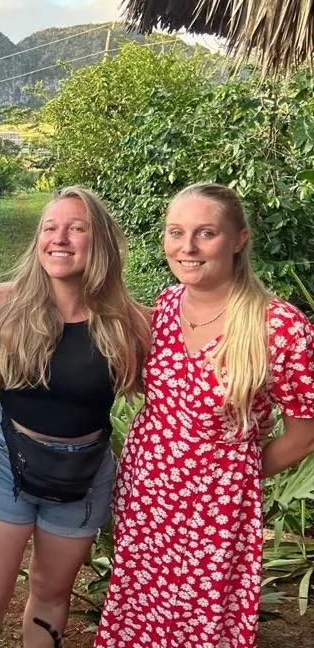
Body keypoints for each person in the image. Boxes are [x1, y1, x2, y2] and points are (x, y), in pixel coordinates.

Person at [94, 183, 314, 648]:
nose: (187, 247)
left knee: (203, 621)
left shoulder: (279, 326)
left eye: (205, 233)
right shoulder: (168, 306)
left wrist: (235, 473)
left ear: (238, 239)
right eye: (176, 232)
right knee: (140, 610)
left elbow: (305, 433)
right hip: (146, 497)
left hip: (216, 509)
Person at [0, 187, 151, 648]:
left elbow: (180, 397)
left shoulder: (131, 324)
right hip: (5, 459)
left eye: (76, 228)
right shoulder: (1, 305)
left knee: (50, 593)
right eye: (50, 227)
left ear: (99, 241)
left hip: (84, 474)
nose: (60, 238)